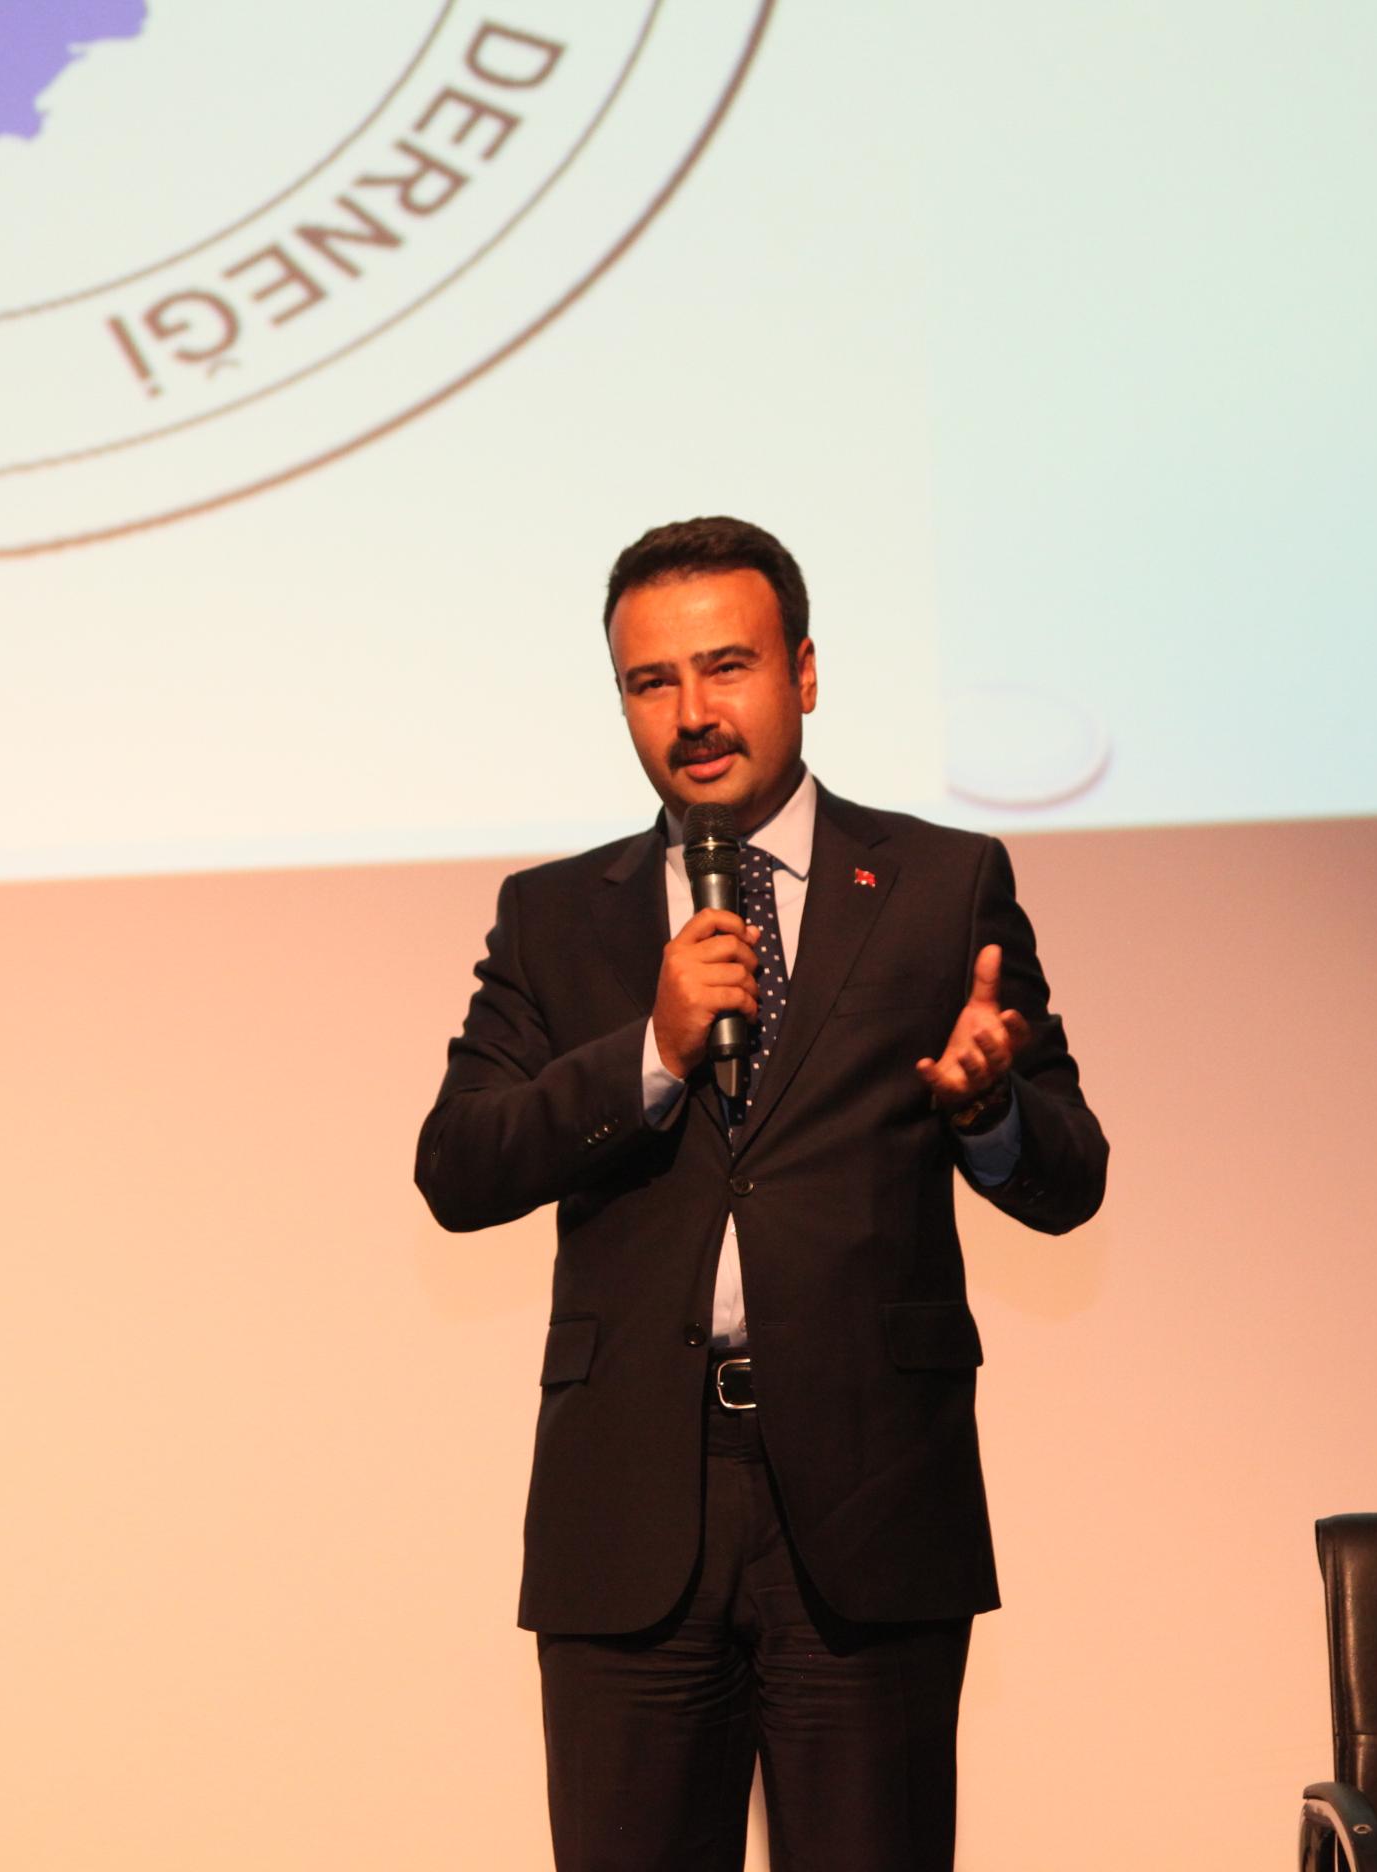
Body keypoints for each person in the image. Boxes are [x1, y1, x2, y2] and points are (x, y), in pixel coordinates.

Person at [414, 516, 1108, 1872]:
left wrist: (987, 1112)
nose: (692, 714)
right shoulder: (556, 917)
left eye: (726, 667)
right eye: (650, 682)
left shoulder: (940, 886)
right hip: (630, 1514)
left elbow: (1070, 1176)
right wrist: (649, 1053)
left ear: (804, 671)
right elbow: (460, 1166)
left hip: (871, 1508)